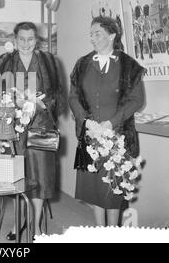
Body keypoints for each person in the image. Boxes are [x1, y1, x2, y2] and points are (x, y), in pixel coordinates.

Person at [0, 22, 63, 239]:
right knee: (16, 178)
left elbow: (56, 93)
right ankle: (17, 222)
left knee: (40, 178)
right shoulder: (3, 61)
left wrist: (40, 103)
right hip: (11, 127)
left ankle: (36, 225)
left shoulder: (48, 61)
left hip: (41, 125)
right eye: (22, 39)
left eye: (30, 39)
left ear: (36, 40)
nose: (26, 44)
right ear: (15, 39)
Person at [69, 16, 145, 226]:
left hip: (117, 137)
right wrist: (86, 122)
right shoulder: (82, 64)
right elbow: (73, 96)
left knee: (113, 190)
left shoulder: (129, 65)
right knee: (93, 190)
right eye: (91, 34)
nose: (92, 38)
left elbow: (136, 100)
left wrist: (112, 122)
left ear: (112, 35)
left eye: (98, 34)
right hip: (89, 135)